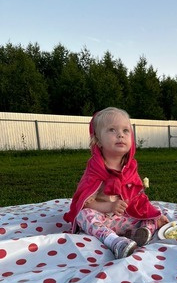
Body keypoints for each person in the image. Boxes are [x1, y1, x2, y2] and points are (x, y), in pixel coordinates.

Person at [64, 107, 169, 258]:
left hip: (124, 218)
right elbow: (85, 202)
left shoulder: (130, 167)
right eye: (112, 130)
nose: (120, 134)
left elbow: (137, 198)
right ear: (98, 141)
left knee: (154, 211)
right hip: (103, 218)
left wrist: (153, 215)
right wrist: (110, 206)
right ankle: (115, 242)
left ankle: (142, 232)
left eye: (126, 131)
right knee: (83, 215)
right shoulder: (95, 169)